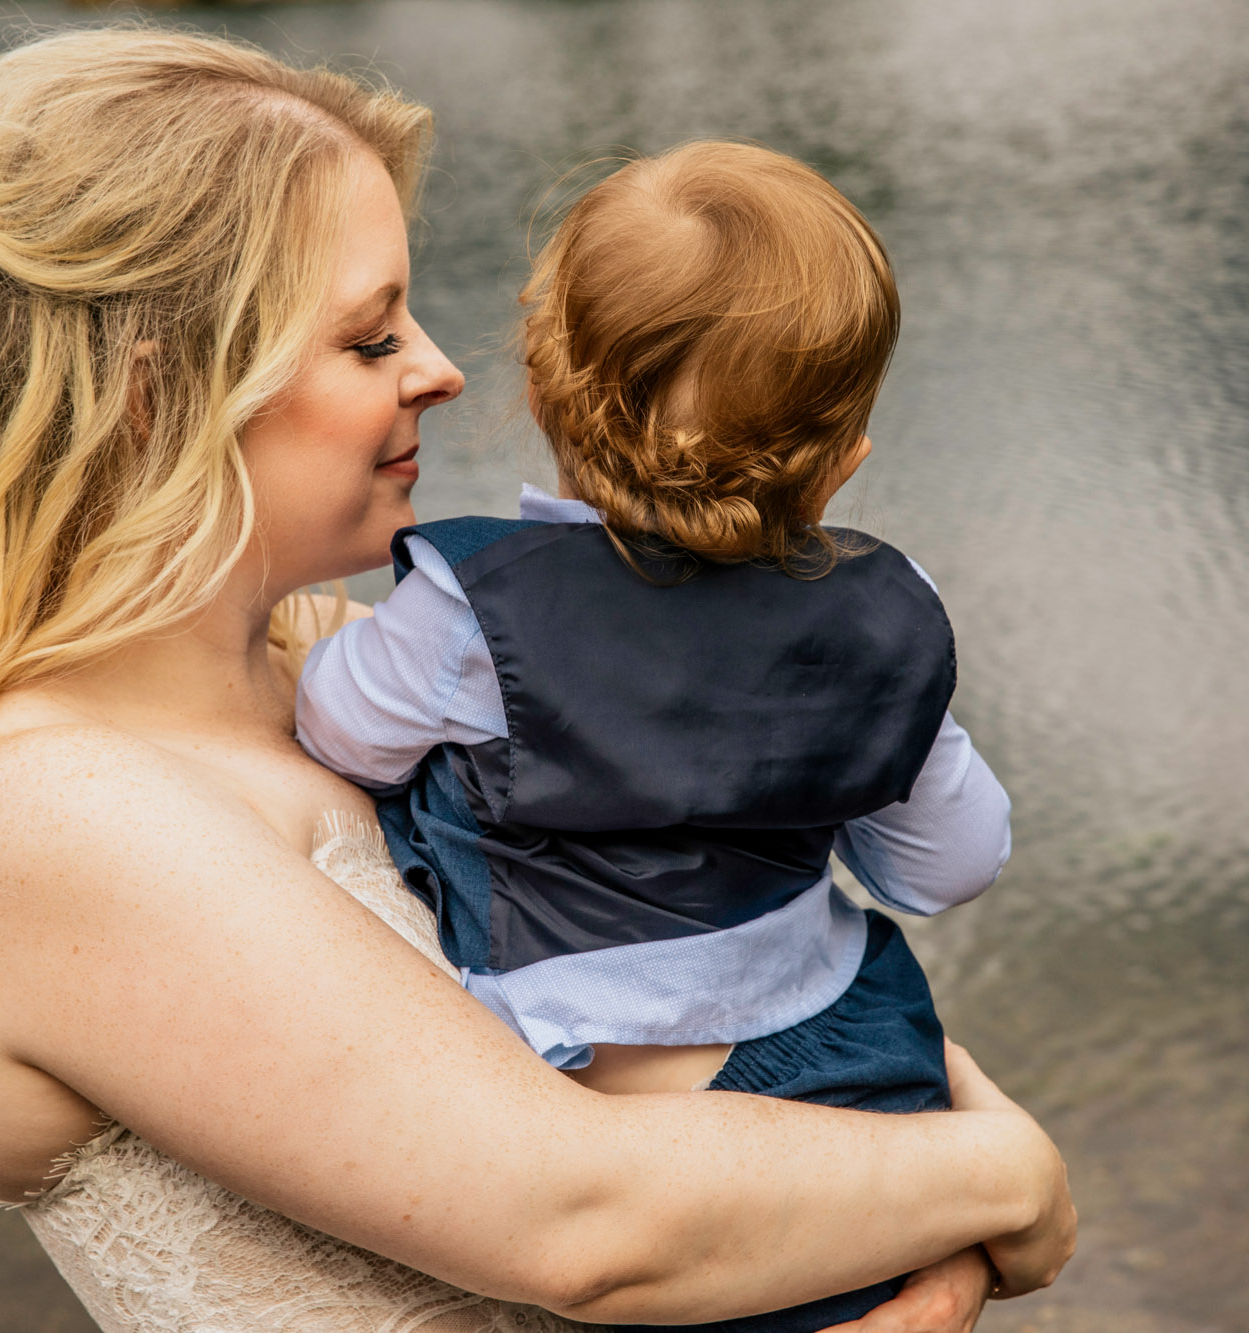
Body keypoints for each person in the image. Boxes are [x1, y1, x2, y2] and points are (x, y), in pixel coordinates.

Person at [0, 26, 1074, 1333]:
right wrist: (996, 1172)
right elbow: (581, 1219)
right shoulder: (55, 809)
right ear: (158, 390)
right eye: (368, 339)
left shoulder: (325, 660)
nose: (444, 368)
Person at [295, 141, 1012, 1333]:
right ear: (845, 453)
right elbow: (949, 864)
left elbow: (342, 731)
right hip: (861, 1058)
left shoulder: (477, 609)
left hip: (626, 1121)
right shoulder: (886, 613)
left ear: (542, 387)